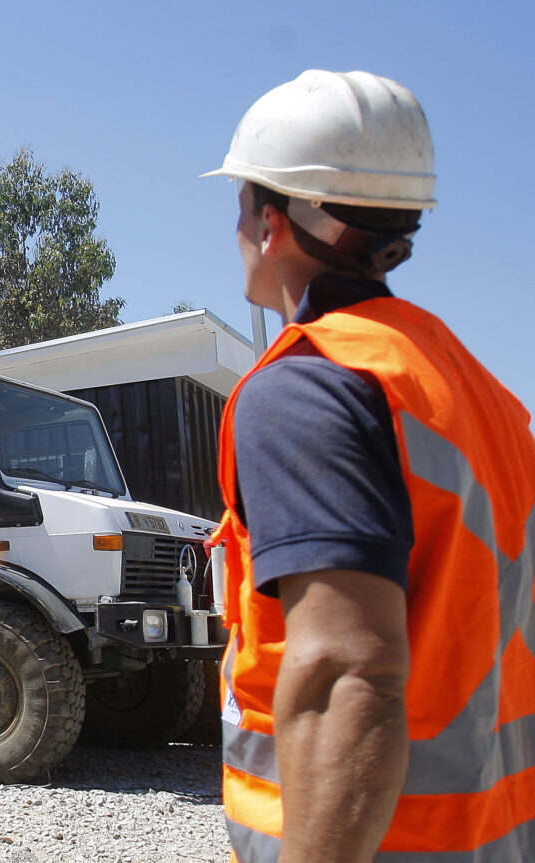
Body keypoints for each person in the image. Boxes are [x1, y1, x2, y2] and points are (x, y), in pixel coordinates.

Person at [204, 70, 535, 862]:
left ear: (273, 220)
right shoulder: (477, 393)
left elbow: (346, 674)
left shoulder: (309, 387)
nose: (236, 225)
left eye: (241, 202)